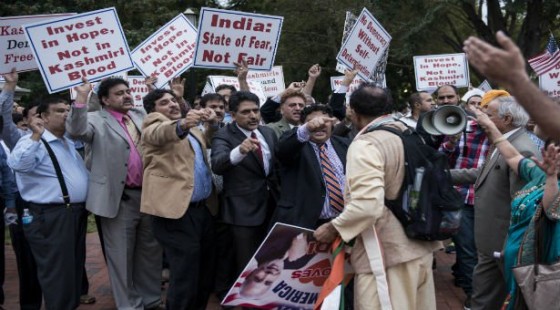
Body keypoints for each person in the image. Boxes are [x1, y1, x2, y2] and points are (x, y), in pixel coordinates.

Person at [314, 83, 441, 309]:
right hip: (419, 246)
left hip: (386, 256)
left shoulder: (366, 144)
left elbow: (367, 206)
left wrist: (333, 228)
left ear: (352, 110)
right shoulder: (408, 134)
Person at [66, 78, 163, 310]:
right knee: (121, 257)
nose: (127, 95)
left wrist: (158, 90)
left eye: (128, 91)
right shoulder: (94, 119)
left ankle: (151, 300)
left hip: (148, 197)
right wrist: (81, 97)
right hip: (118, 200)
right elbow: (75, 131)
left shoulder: (140, 115)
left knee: (150, 254)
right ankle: (130, 305)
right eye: (119, 93)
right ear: (105, 99)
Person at [450, 96, 540, 310]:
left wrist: (509, 246)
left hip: (504, 243)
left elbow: (522, 205)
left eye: (488, 115)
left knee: (515, 299)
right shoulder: (505, 140)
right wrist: (442, 174)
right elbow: (482, 173)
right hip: (491, 242)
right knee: (483, 297)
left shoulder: (521, 148)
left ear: (507, 118)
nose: (480, 118)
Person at [8, 97, 89, 310]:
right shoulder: (33, 140)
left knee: (72, 271)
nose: (66, 114)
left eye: (68, 110)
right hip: (51, 215)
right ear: (44, 116)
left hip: (72, 214)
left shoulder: (67, 141)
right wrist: (36, 134)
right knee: (58, 274)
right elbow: (18, 165)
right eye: (60, 111)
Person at [474, 108, 560, 309]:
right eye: (550, 151)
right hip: (520, 267)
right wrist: (490, 127)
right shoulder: (538, 174)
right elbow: (512, 156)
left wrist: (551, 178)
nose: (552, 157)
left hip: (541, 272)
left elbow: (551, 210)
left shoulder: (549, 180)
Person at [141, 89, 217, 309]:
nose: (172, 104)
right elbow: (160, 133)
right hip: (175, 212)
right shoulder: (153, 124)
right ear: (153, 110)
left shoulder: (192, 129)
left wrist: (211, 123)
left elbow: (210, 140)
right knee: (185, 274)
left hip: (203, 210)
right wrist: (183, 124)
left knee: (204, 271)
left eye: (173, 100)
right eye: (164, 103)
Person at [211, 91, 280, 276]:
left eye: (256, 110)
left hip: (272, 207)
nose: (253, 116)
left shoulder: (268, 132)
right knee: (246, 263)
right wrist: (239, 151)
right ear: (232, 115)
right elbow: (217, 164)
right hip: (242, 211)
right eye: (246, 112)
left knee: (270, 260)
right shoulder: (223, 135)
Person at [463, 31, 560, 139]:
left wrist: (516, 79)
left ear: (507, 118)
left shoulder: (524, 145)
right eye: (485, 108)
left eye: (490, 114)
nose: (484, 114)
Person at [272, 104, 349, 229]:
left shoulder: (344, 144)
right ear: (302, 125)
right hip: (304, 225)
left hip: (341, 224)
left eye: (324, 121)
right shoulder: (295, 146)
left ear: (332, 123)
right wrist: (307, 129)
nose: (318, 125)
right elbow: (282, 150)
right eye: (312, 122)